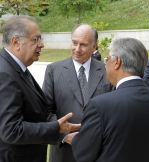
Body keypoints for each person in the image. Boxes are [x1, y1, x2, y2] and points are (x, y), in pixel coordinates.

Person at [0, 15, 81, 162]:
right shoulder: (2, 74)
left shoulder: (13, 66)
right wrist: (56, 127)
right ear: (16, 42)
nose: (41, 44)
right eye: (35, 39)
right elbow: (11, 131)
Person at [64, 38, 149, 162]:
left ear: (117, 62)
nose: (105, 65)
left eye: (107, 60)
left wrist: (76, 139)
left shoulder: (100, 105)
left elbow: (84, 154)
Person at [42, 24, 112, 162]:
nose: (77, 49)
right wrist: (64, 136)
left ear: (94, 47)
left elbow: (114, 110)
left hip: (100, 152)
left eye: (83, 45)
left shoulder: (106, 70)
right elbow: (46, 110)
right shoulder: (53, 70)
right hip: (64, 152)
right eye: (74, 43)